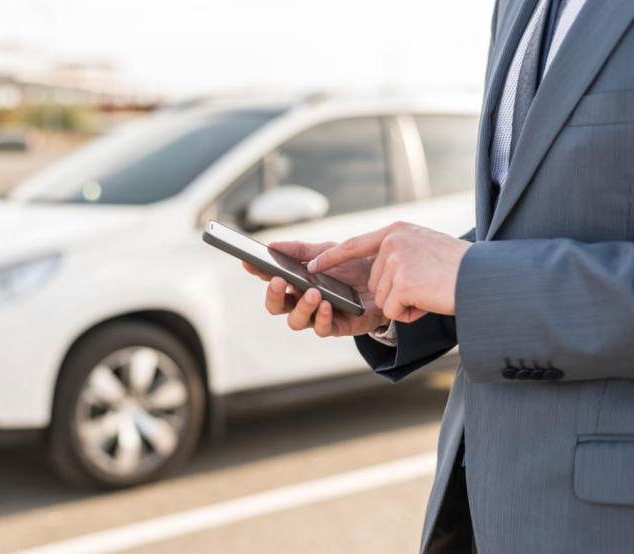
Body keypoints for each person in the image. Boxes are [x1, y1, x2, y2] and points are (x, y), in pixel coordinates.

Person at [243, 1, 634, 552]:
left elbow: (489, 272)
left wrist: (472, 279)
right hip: (476, 500)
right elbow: (528, 226)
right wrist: (387, 289)